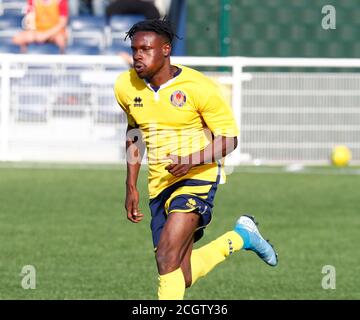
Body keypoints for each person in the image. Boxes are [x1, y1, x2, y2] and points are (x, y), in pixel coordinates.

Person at [114, 19, 278, 300]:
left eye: (146, 49)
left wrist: (191, 161)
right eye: (134, 50)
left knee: (166, 257)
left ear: (165, 50)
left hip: (197, 177)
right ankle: (241, 237)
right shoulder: (125, 86)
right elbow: (134, 133)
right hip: (159, 184)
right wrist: (131, 185)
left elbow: (229, 139)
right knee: (181, 275)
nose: (138, 55)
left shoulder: (198, 86)